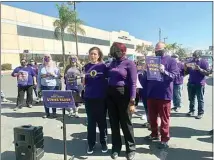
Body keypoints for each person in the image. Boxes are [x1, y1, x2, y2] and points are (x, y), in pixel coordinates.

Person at [144, 42, 179, 149]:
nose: (157, 51)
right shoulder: (151, 61)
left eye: (159, 49)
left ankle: (164, 139)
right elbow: (147, 78)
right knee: (152, 117)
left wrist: (164, 71)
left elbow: (174, 76)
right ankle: (154, 134)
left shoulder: (171, 61)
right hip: (151, 93)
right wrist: (145, 71)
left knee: (164, 118)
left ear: (164, 49)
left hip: (164, 94)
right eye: (155, 49)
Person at [107, 42, 136, 160]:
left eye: (117, 50)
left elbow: (133, 83)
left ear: (123, 51)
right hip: (110, 94)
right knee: (114, 123)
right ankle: (116, 148)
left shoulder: (129, 63)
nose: (115, 53)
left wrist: (132, 101)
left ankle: (131, 149)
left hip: (124, 94)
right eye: (114, 50)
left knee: (126, 123)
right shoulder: (111, 63)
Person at [83, 47, 108, 155]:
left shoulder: (104, 66)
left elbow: (108, 81)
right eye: (91, 54)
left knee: (102, 122)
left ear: (99, 55)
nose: (92, 56)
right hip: (89, 98)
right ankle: (91, 143)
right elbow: (84, 83)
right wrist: (81, 78)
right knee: (91, 123)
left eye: (95, 54)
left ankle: (103, 142)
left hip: (101, 98)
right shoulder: (86, 67)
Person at [185, 50, 210, 119]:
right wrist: (185, 67)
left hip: (199, 84)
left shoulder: (204, 62)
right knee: (191, 98)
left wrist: (199, 69)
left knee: (200, 99)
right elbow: (187, 72)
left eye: (196, 57)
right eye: (194, 57)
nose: (195, 58)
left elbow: (208, 73)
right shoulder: (190, 61)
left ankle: (200, 113)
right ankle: (191, 111)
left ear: (199, 56)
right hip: (191, 83)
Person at [37, 54, 61, 118]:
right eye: (45, 57)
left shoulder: (54, 66)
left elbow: (59, 76)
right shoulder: (41, 67)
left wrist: (53, 75)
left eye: (48, 57)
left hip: (53, 86)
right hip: (44, 85)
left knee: (53, 100)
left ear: (50, 58)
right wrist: (38, 87)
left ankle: (54, 113)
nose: (47, 58)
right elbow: (39, 77)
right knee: (45, 100)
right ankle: (47, 113)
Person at [138, 60, 150, 129]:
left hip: (149, 94)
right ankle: (148, 121)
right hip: (143, 94)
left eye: (143, 64)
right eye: (140, 64)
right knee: (146, 108)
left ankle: (151, 122)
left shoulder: (149, 73)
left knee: (149, 109)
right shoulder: (139, 73)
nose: (142, 65)